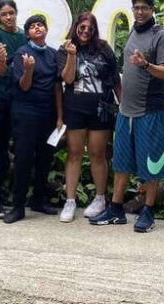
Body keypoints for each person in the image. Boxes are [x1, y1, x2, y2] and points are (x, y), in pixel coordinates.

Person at [90, 0, 164, 233]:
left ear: (152, 9)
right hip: (126, 111)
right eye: (136, 7)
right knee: (122, 162)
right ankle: (116, 208)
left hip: (151, 110)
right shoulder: (133, 33)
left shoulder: (161, 35)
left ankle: (148, 211)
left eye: (144, 8)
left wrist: (146, 64)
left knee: (152, 165)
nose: (139, 12)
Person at [57, 12, 120, 222]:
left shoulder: (103, 48)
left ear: (94, 30)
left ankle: (100, 198)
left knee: (97, 153)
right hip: (75, 107)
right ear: (76, 27)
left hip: (102, 108)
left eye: (89, 28)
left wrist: (124, 105)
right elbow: (67, 78)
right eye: (82, 27)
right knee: (74, 152)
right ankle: (70, 200)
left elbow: (115, 79)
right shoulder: (65, 48)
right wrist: (72, 55)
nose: (85, 31)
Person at [3, 14, 64, 224]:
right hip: (26, 112)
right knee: (23, 159)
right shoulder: (23, 52)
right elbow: (24, 86)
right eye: (32, 26)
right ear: (28, 32)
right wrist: (28, 69)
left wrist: (59, 116)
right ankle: (18, 206)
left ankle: (38, 200)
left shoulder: (53, 54)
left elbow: (58, 87)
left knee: (45, 159)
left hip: (48, 114)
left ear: (46, 30)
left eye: (40, 25)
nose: (37, 28)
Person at [0, 0, 26, 219]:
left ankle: (10, 196)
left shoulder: (24, 36)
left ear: (16, 13)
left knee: (18, 151)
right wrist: (1, 61)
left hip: (19, 100)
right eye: (4, 14)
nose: (8, 17)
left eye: (11, 13)